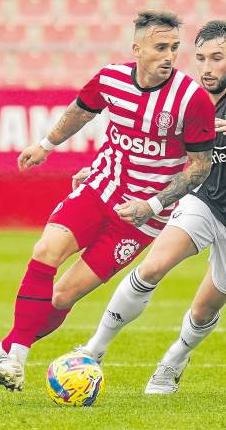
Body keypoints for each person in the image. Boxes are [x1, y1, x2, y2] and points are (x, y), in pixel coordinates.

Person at [0, 10, 215, 398]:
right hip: (101, 188)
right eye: (160, 47)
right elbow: (80, 111)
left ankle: (1, 351)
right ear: (137, 49)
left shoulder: (190, 98)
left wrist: (151, 204)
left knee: (63, 296)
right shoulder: (111, 78)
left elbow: (198, 168)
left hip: (141, 219)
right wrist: (45, 145)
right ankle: (18, 358)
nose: (169, 56)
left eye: (175, 48)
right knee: (45, 249)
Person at [80, 20, 226, 395]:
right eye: (201, 58)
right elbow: (150, 145)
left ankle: (173, 360)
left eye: (218, 58)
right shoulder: (189, 98)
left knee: (203, 310)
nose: (207, 68)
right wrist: (97, 170)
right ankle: (93, 351)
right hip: (203, 201)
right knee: (152, 266)